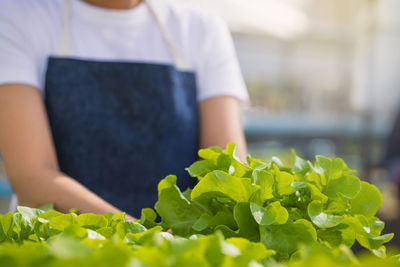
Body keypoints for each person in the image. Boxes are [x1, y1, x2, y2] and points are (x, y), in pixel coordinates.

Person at [0, 0, 248, 218]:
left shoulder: (202, 29)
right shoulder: (16, 15)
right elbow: (31, 177)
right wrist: (146, 239)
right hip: (61, 250)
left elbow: (228, 170)